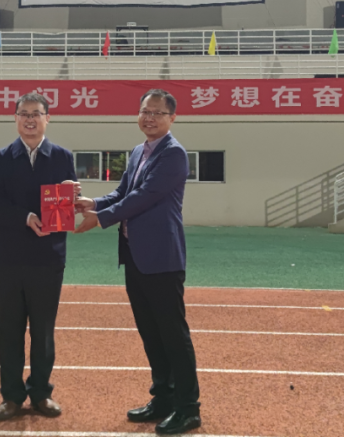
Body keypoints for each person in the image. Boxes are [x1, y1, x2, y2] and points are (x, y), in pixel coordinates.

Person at [74, 89, 201, 435]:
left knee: (173, 335)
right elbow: (123, 193)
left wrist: (101, 219)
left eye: (158, 113)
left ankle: (188, 408)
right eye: (146, 111)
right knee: (151, 333)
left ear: (172, 118)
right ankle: (164, 399)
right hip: (135, 255)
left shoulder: (173, 154)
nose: (150, 118)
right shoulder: (137, 152)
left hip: (162, 257)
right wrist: (93, 203)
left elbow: (144, 198)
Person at [0, 93, 78, 422]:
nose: (29, 119)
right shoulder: (1, 158)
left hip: (48, 257)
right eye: (23, 114)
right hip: (9, 258)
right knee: (9, 331)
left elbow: (65, 203)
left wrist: (72, 195)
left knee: (43, 331)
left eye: (36, 114)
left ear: (47, 118)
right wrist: (25, 217)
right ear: (15, 119)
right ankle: (11, 396)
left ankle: (40, 393)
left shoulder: (62, 157)